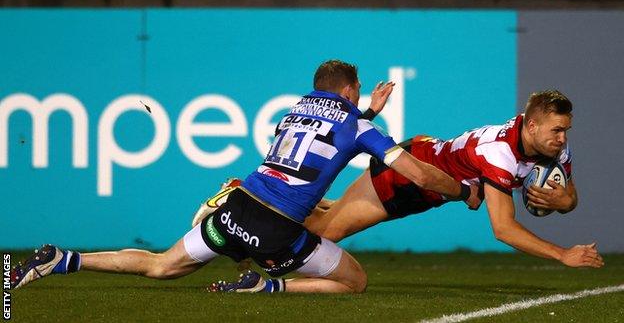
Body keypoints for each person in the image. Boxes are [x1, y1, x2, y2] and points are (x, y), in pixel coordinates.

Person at [10, 60, 481, 293]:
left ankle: (65, 259)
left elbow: (324, 134)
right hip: (276, 229)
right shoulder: (359, 125)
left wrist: (364, 112)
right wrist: (462, 191)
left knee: (162, 266)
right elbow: (415, 170)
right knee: (354, 280)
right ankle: (269, 285)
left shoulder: (293, 110)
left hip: (237, 207)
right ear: (350, 88)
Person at [302, 90, 603, 269]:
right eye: (557, 131)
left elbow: (569, 195)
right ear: (533, 125)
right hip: (408, 177)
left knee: (327, 214)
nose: (563, 139)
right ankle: (261, 230)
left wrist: (567, 202)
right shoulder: (499, 153)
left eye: (565, 131)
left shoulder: (553, 144)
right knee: (326, 230)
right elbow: (503, 229)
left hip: (429, 178)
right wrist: (562, 254)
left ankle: (276, 210)